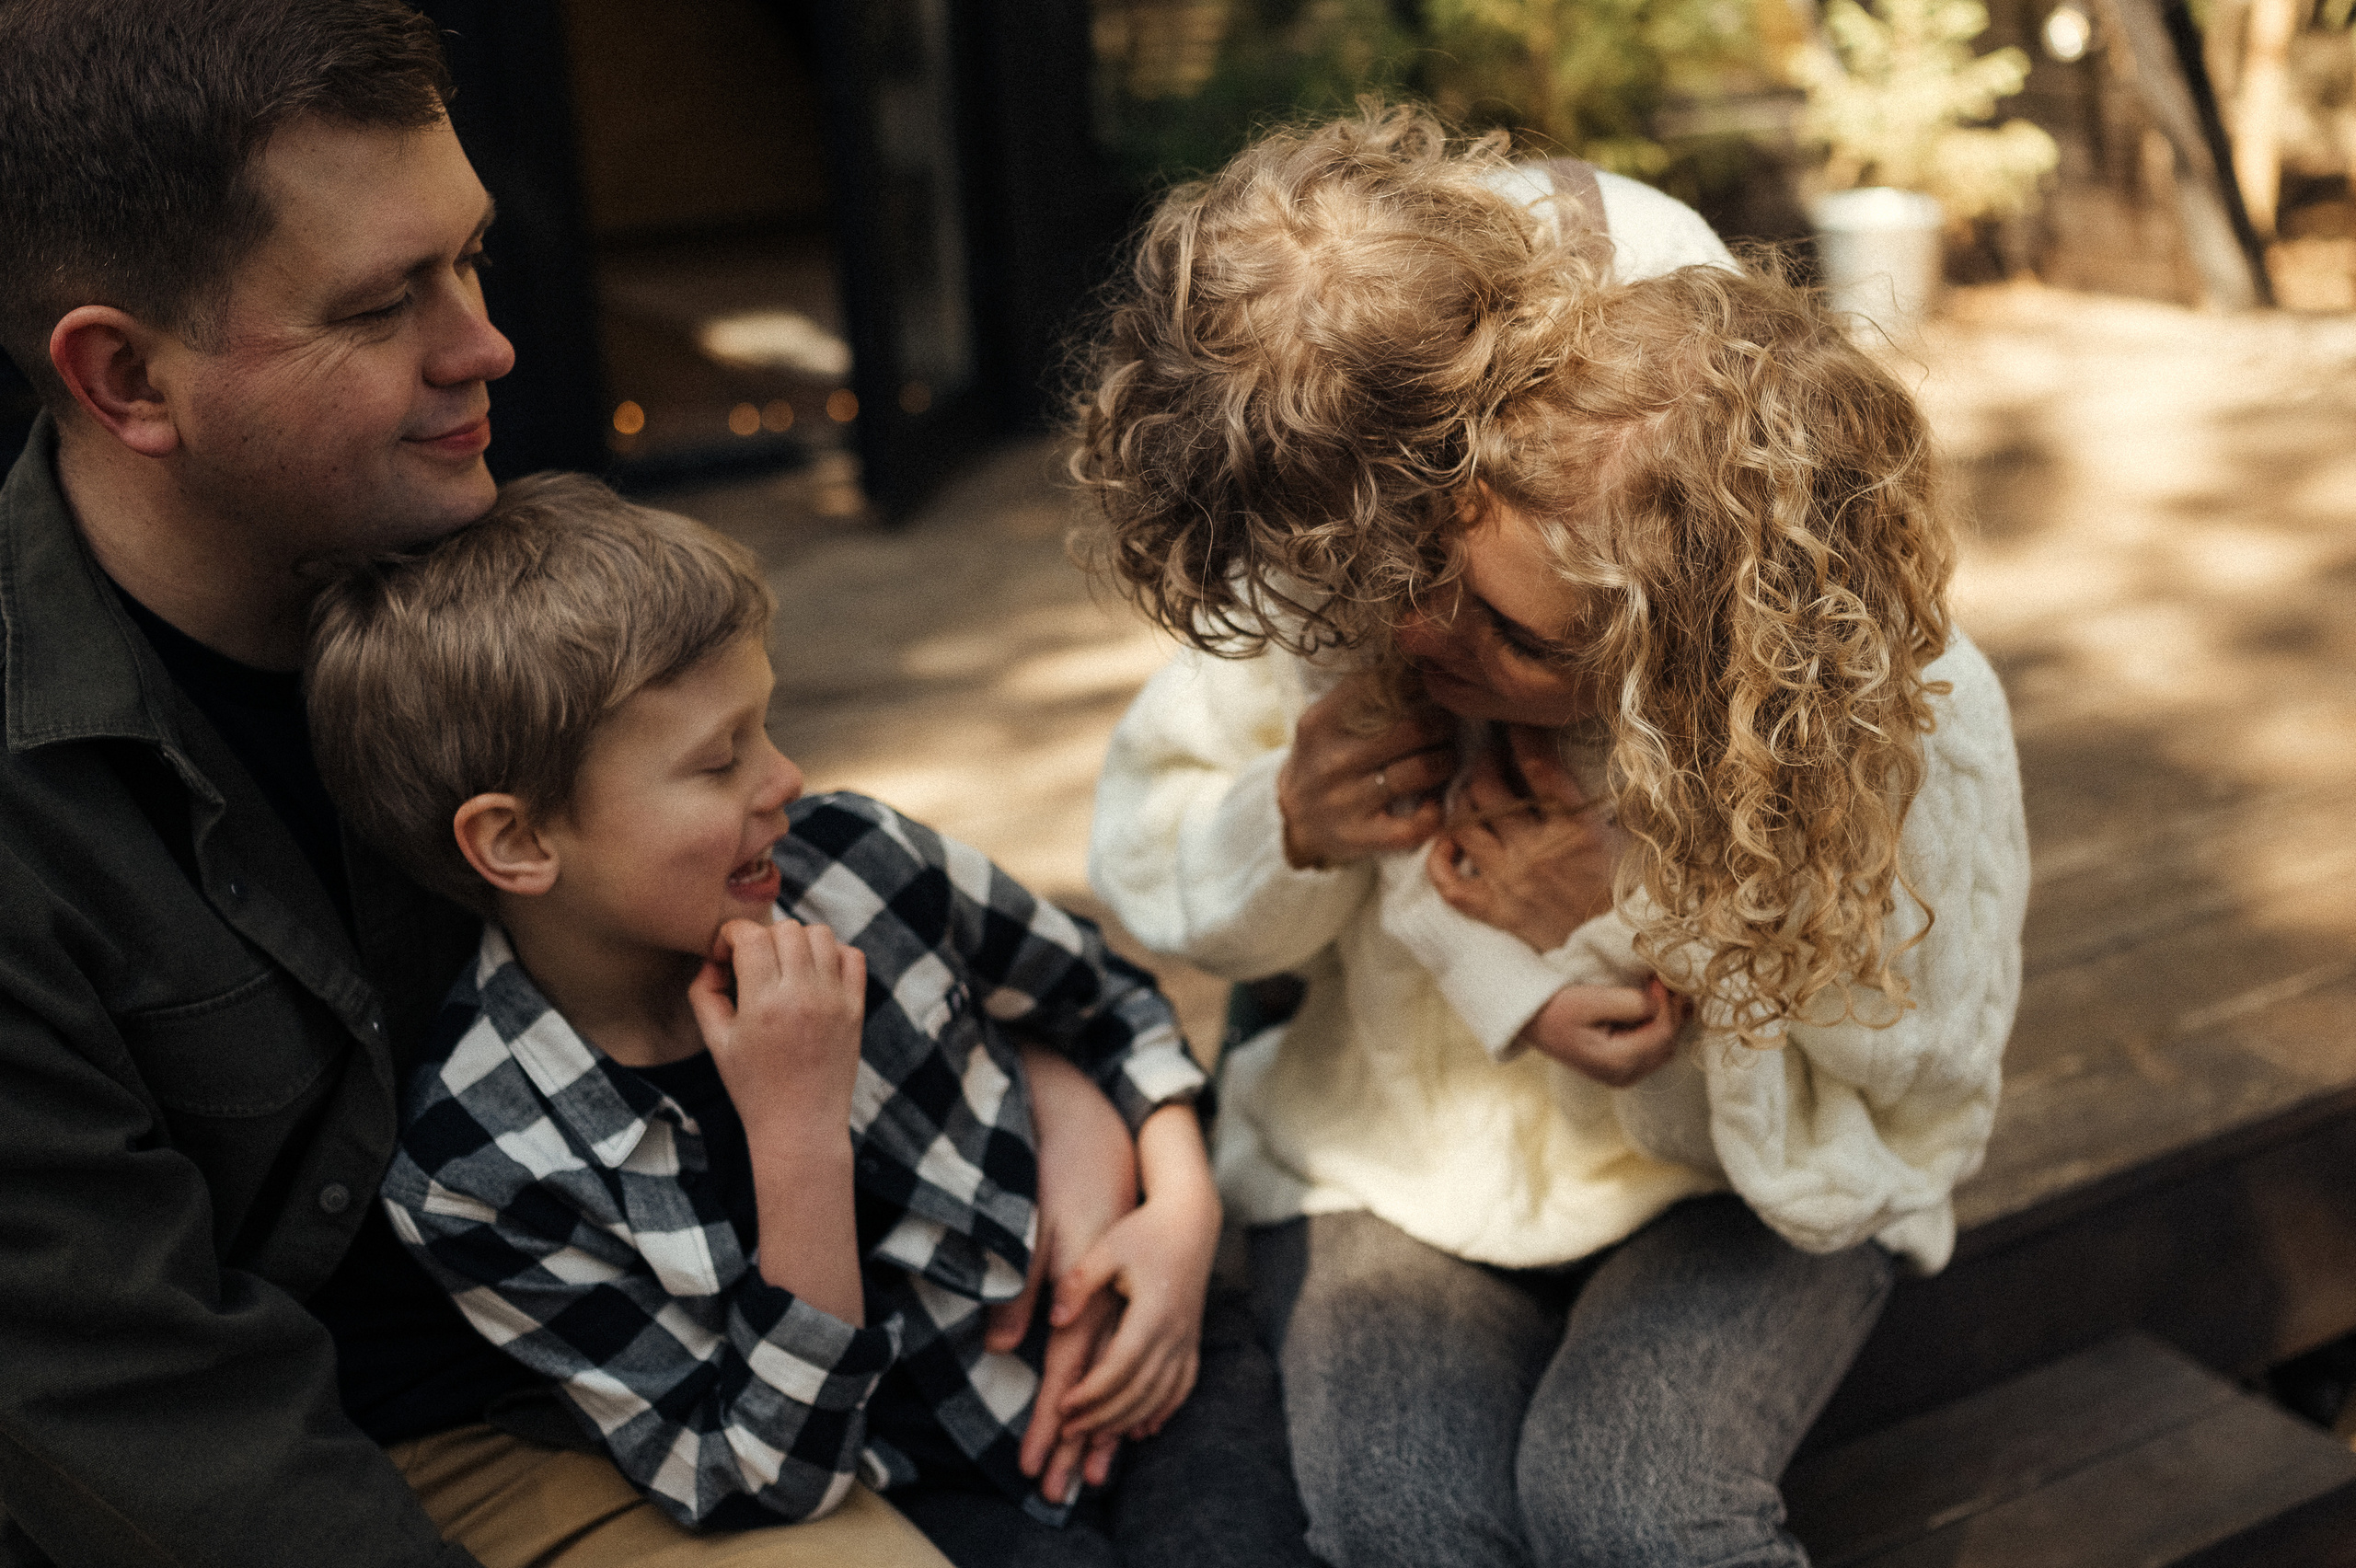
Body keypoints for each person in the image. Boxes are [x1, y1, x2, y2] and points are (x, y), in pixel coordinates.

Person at [3, 4, 944, 1563]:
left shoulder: (483, 567)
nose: (486, 341)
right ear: (126, 378)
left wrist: (1053, 1062)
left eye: (471, 256)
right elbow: (150, 1429)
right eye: (383, 302)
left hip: (629, 1365)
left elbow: (757, 868)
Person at [1071, 106, 2031, 1568]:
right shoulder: (1379, 521)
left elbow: (1931, 1065)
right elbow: (1153, 854)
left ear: (1697, 652)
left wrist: (1654, 934)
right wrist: (1292, 826)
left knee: (1630, 1510)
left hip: (1736, 1196)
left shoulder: (1874, 693)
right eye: (1423, 573)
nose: (1416, 636)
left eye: (1521, 640)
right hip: (1402, 1158)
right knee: (1404, 1520)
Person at [301, 472, 1224, 1567]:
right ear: (518, 844)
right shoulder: (480, 1166)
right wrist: (796, 1138)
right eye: (717, 757)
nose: (784, 777)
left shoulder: (859, 868)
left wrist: (1180, 1210)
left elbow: (1106, 1003)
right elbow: (754, 1479)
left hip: (1156, 1367)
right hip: (920, 1493)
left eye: (765, 724)